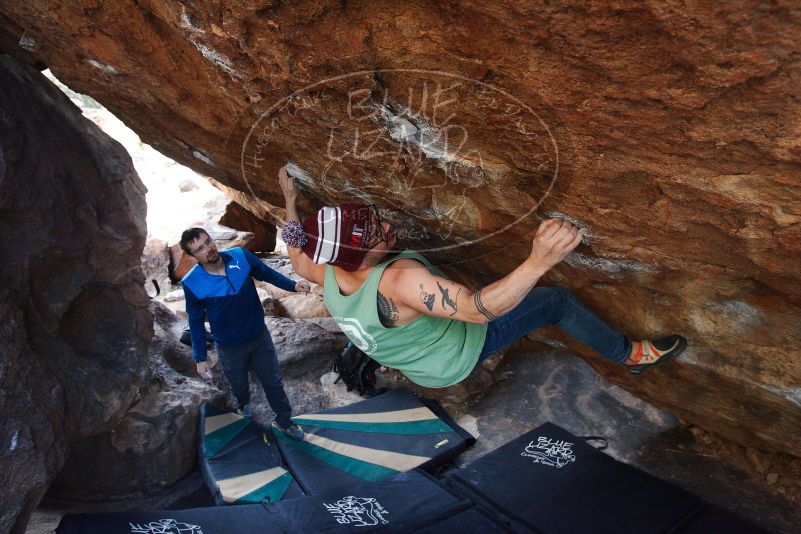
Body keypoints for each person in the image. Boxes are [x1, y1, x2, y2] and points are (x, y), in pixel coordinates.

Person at [277, 166, 687, 389]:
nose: (386, 226)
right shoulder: (399, 281)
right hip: (456, 357)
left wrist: (289, 199)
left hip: (418, 364)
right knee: (555, 302)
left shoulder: (324, 268)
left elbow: (295, 250)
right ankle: (629, 356)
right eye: (376, 234)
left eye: (375, 219)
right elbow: (475, 311)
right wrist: (539, 260)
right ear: (362, 259)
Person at [180, 227, 308, 440]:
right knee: (239, 385)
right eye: (200, 249)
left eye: (208, 242)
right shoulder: (192, 282)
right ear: (193, 256)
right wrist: (200, 357)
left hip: (259, 337)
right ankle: (243, 404)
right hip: (229, 347)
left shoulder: (240, 256)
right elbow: (194, 321)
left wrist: (293, 285)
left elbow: (266, 273)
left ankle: (284, 421)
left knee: (273, 383)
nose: (208, 249)